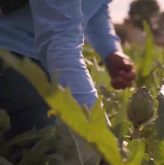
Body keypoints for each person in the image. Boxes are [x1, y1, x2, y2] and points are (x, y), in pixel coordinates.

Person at [0, 0, 136, 139]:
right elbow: (59, 43)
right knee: (52, 148)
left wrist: (110, 50)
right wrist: (102, 139)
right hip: (12, 61)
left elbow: (95, 5)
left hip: (35, 62)